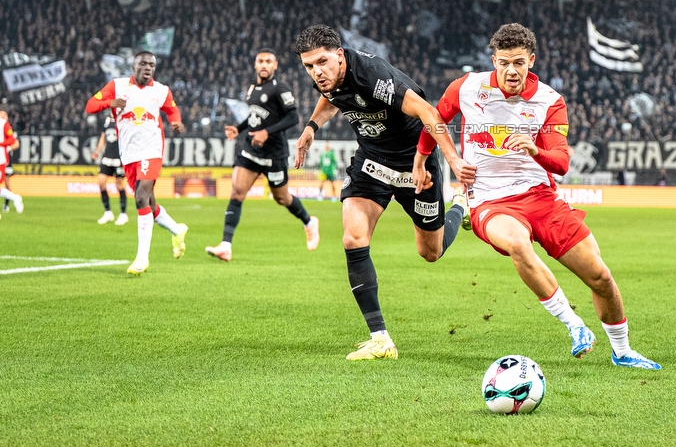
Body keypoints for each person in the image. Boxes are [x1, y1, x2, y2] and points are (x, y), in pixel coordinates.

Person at [416, 23, 661, 370]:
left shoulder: (549, 101)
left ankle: (622, 351)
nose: (510, 71)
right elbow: (435, 120)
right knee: (517, 242)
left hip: (542, 198)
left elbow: (561, 162)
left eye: (518, 62)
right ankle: (575, 327)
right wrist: (425, 159)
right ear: (493, 61)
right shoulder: (467, 88)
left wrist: (535, 150)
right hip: (489, 201)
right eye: (503, 62)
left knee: (600, 277)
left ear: (531, 60)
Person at [292, 25, 475, 361]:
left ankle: (460, 205)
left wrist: (453, 161)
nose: (317, 72)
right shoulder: (330, 78)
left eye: (322, 62)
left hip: (414, 165)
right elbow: (331, 97)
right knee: (352, 237)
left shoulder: (373, 75)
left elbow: (427, 112)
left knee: (430, 252)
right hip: (372, 161)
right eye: (309, 66)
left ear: (340, 56)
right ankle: (380, 338)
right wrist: (310, 127)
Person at [205, 49, 319, 262]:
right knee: (237, 192)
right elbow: (254, 117)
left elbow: (293, 117)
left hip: (274, 154)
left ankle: (309, 222)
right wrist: (239, 129)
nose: (264, 64)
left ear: (275, 65)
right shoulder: (251, 89)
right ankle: (225, 245)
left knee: (282, 198)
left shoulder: (280, 89)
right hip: (251, 150)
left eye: (269, 61)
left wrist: (267, 132)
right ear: (255, 65)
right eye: (261, 61)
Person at [85, 51, 189, 275]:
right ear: (133, 67)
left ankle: (142, 257)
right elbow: (90, 105)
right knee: (149, 205)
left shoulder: (161, 90)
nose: (148, 67)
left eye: (152, 64)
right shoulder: (117, 85)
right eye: (143, 64)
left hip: (151, 151)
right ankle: (177, 229)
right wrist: (110, 102)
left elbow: (172, 109)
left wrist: (176, 122)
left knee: (141, 197)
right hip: (129, 154)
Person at [91, 113, 129, 225]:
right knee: (101, 181)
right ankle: (108, 212)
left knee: (120, 184)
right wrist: (97, 151)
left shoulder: (125, 119)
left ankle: (123, 214)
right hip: (107, 156)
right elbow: (103, 137)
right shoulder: (107, 120)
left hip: (119, 157)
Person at [0, 110, 24, 215]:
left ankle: (9, 202)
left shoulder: (5, 125)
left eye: (5, 114)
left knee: (7, 182)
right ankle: (14, 198)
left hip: (2, 159)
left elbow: (14, 142)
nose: (4, 116)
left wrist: (4, 146)